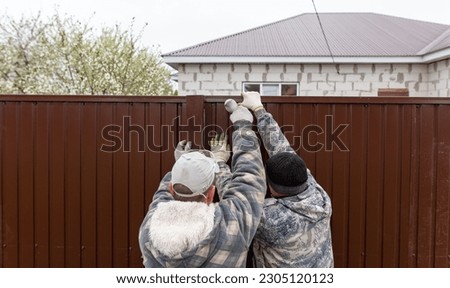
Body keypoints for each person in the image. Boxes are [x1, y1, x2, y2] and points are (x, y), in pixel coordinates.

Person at [138, 103, 266, 267]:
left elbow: (162, 197)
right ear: (211, 194)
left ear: (171, 188)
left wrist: (184, 165)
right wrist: (242, 126)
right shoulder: (231, 225)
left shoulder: (149, 230)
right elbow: (250, 176)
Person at [240, 91, 334, 268]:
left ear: (271, 187)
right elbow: (282, 149)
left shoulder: (269, 218)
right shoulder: (318, 196)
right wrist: (259, 110)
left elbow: (235, 198)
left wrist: (219, 164)